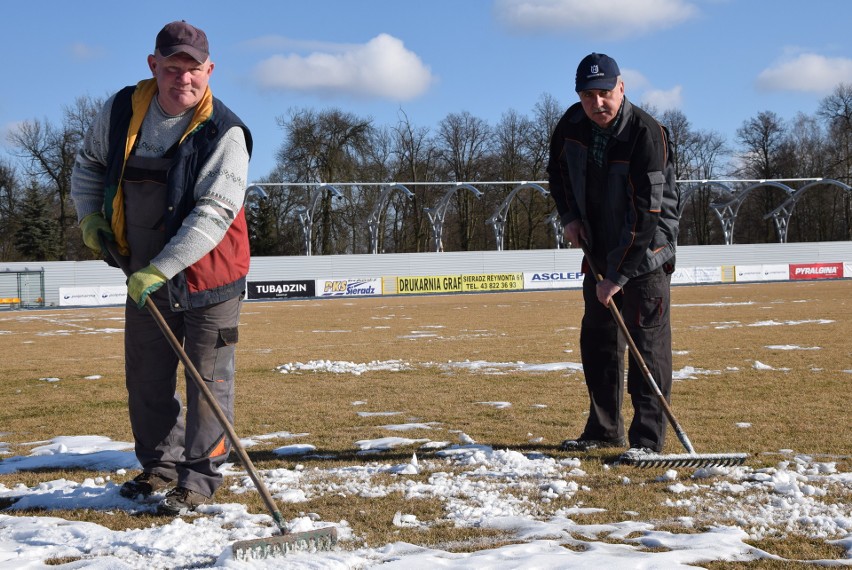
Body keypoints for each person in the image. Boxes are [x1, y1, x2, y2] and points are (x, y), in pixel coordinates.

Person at [71, 20, 252, 515]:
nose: (184, 80)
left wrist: (162, 267)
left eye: (194, 70)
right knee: (147, 378)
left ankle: (198, 479)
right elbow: (87, 164)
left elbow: (213, 213)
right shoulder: (120, 112)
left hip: (209, 277)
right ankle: (160, 466)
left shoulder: (225, 133)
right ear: (154, 65)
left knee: (207, 382)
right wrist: (90, 216)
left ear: (209, 70)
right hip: (144, 271)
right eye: (173, 68)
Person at [546, 53, 680, 461]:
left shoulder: (647, 134)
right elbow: (558, 173)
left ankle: (646, 441)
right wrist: (569, 217)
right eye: (588, 95)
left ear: (621, 88)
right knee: (599, 341)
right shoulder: (570, 126)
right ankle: (604, 430)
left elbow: (647, 213)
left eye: (604, 93)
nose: (597, 103)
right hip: (601, 247)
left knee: (646, 345)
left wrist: (616, 277)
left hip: (647, 252)